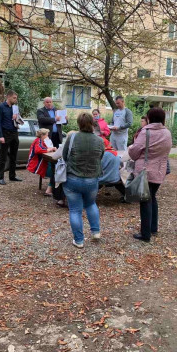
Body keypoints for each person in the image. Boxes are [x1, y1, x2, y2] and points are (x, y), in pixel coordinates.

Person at [128, 107, 172, 242]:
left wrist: (132, 151)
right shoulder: (167, 133)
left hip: (144, 170)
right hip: (159, 170)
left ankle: (145, 233)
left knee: (145, 201)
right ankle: (153, 227)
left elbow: (135, 151)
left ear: (149, 118)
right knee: (152, 197)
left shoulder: (145, 132)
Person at [62, 113, 105, 248]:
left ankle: (79, 241)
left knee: (75, 210)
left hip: (73, 178)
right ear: (92, 124)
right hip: (92, 179)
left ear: (79, 124)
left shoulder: (72, 137)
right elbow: (101, 156)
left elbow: (64, 156)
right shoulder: (99, 140)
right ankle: (95, 231)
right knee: (91, 204)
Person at [37, 97, 68, 206]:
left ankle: (54, 182)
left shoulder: (57, 110)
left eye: (50, 102)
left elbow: (64, 123)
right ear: (44, 102)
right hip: (47, 138)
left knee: (58, 158)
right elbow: (42, 120)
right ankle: (51, 179)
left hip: (57, 136)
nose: (49, 103)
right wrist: (55, 118)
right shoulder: (41, 111)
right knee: (50, 158)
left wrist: (65, 119)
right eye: (47, 102)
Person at [0, 90, 21, 185]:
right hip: (5, 134)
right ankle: (0, 178)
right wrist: (1, 136)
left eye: (16, 98)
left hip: (15, 133)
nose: (15, 100)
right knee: (3, 157)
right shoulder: (1, 107)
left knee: (14, 156)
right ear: (8, 97)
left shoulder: (15, 108)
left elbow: (19, 121)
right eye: (14, 98)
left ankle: (12, 176)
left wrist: (17, 118)